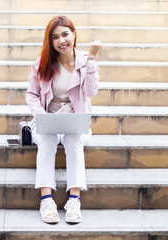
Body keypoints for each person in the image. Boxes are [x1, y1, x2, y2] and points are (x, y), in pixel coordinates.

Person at [25, 15, 101, 224]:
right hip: (47, 119)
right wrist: (41, 115)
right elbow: (31, 94)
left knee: (74, 138)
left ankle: (74, 199)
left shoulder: (86, 60)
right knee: (47, 139)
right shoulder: (41, 63)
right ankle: (46, 200)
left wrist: (92, 60)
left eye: (65, 34)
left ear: (74, 34)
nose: (61, 41)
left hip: (75, 121)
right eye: (55, 37)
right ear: (50, 41)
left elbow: (91, 91)